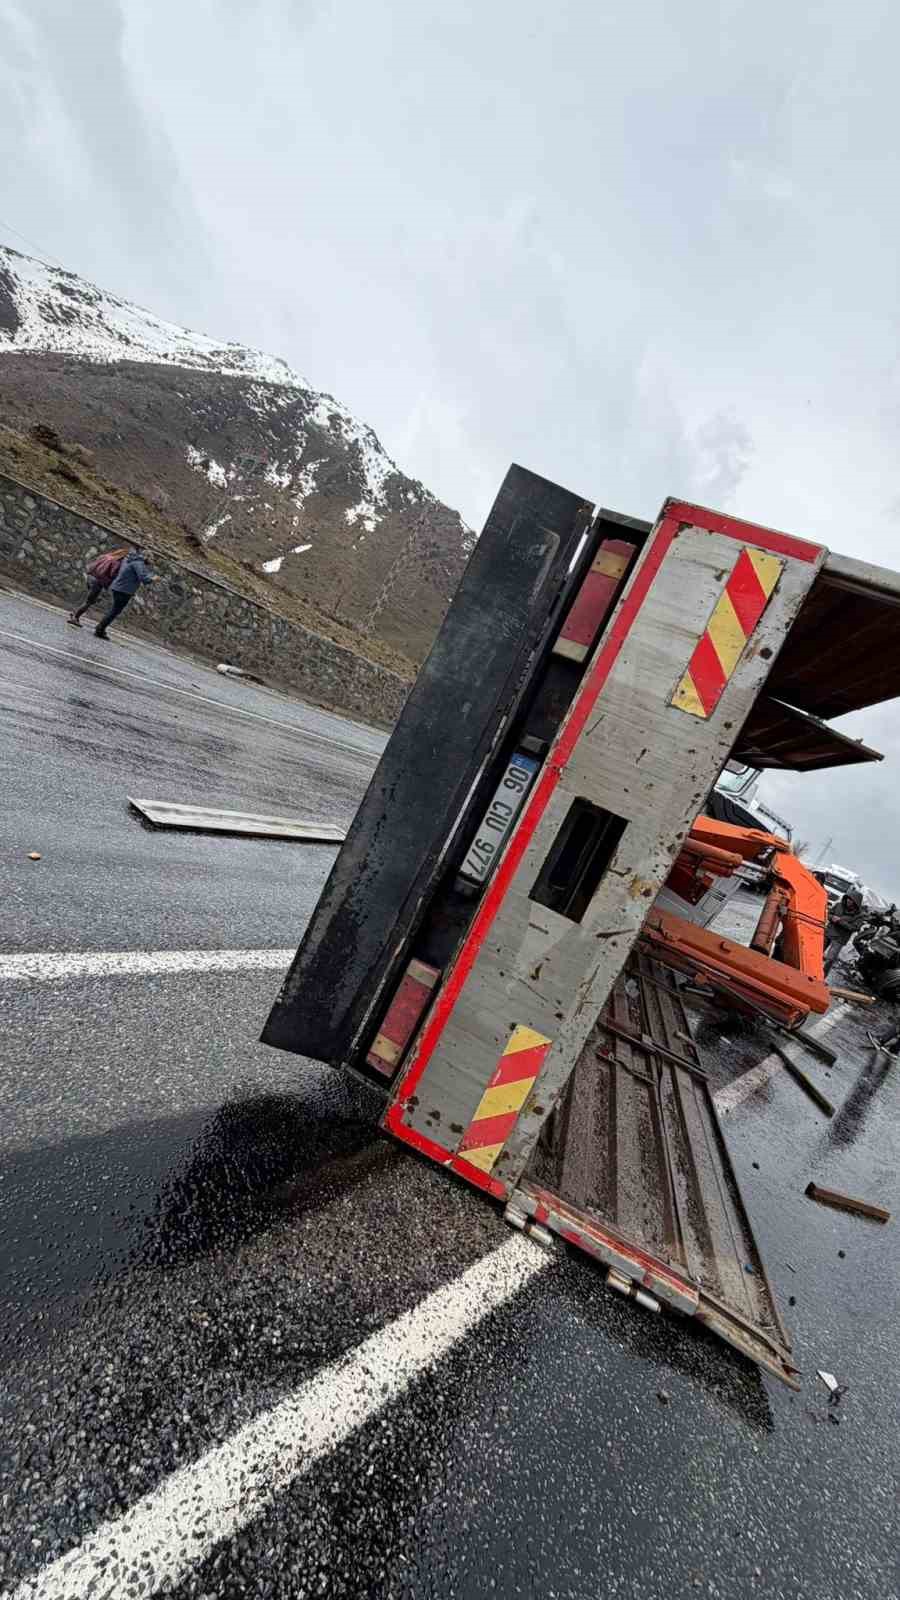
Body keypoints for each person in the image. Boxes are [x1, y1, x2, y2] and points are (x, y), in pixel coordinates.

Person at [93, 546, 158, 640]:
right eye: (152, 559)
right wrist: (153, 578)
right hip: (123, 590)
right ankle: (100, 629)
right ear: (146, 557)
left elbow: (139, 575)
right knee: (114, 611)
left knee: (115, 610)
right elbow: (144, 579)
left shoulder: (134, 561)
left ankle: (100, 628)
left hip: (120, 588)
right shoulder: (138, 563)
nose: (152, 561)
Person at [67, 546, 130, 626]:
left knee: (90, 599)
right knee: (89, 601)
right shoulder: (116, 562)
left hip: (91, 577)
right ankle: (75, 616)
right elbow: (112, 574)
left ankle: (75, 614)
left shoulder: (106, 556)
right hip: (99, 581)